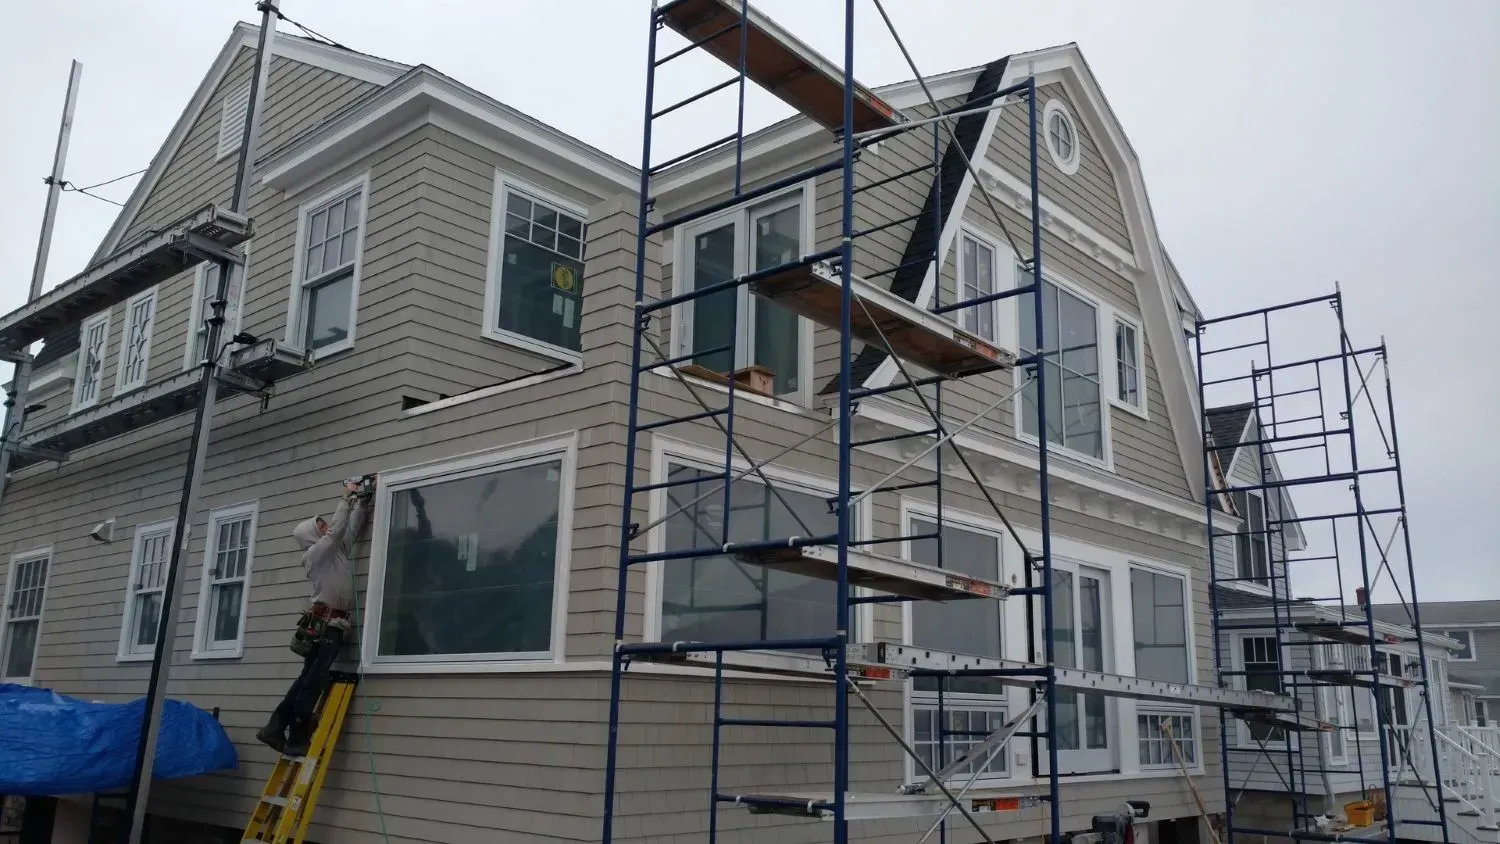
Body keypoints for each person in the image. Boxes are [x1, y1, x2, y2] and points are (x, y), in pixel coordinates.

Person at [257, 479, 372, 756]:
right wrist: (346, 497)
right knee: (313, 682)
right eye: (320, 525)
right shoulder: (316, 554)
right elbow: (336, 532)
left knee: (307, 680)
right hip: (324, 625)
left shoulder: (336, 553)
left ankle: (274, 728)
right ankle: (296, 736)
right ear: (311, 536)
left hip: (328, 624)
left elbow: (349, 529)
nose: (325, 528)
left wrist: (363, 500)